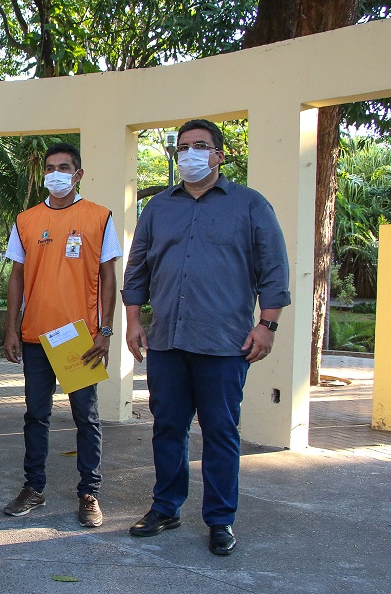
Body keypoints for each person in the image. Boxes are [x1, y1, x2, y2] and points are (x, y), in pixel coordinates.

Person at [122, 119, 291, 556]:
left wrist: (267, 324)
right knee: (168, 428)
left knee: (220, 432)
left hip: (225, 343)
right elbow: (138, 267)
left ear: (219, 154)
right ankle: (166, 506)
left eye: (200, 146)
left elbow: (273, 268)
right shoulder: (158, 207)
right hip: (167, 342)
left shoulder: (250, 205)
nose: (190, 154)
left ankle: (220, 519)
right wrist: (134, 320)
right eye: (182, 147)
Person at [2, 143, 122, 528]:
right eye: (50, 168)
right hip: (36, 336)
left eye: (64, 167)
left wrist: (105, 331)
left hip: (78, 338)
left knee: (86, 418)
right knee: (36, 416)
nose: (56, 173)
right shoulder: (26, 220)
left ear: (78, 174)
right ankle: (33, 488)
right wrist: (11, 330)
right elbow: (16, 278)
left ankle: (90, 493)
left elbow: (108, 277)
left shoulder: (98, 217)